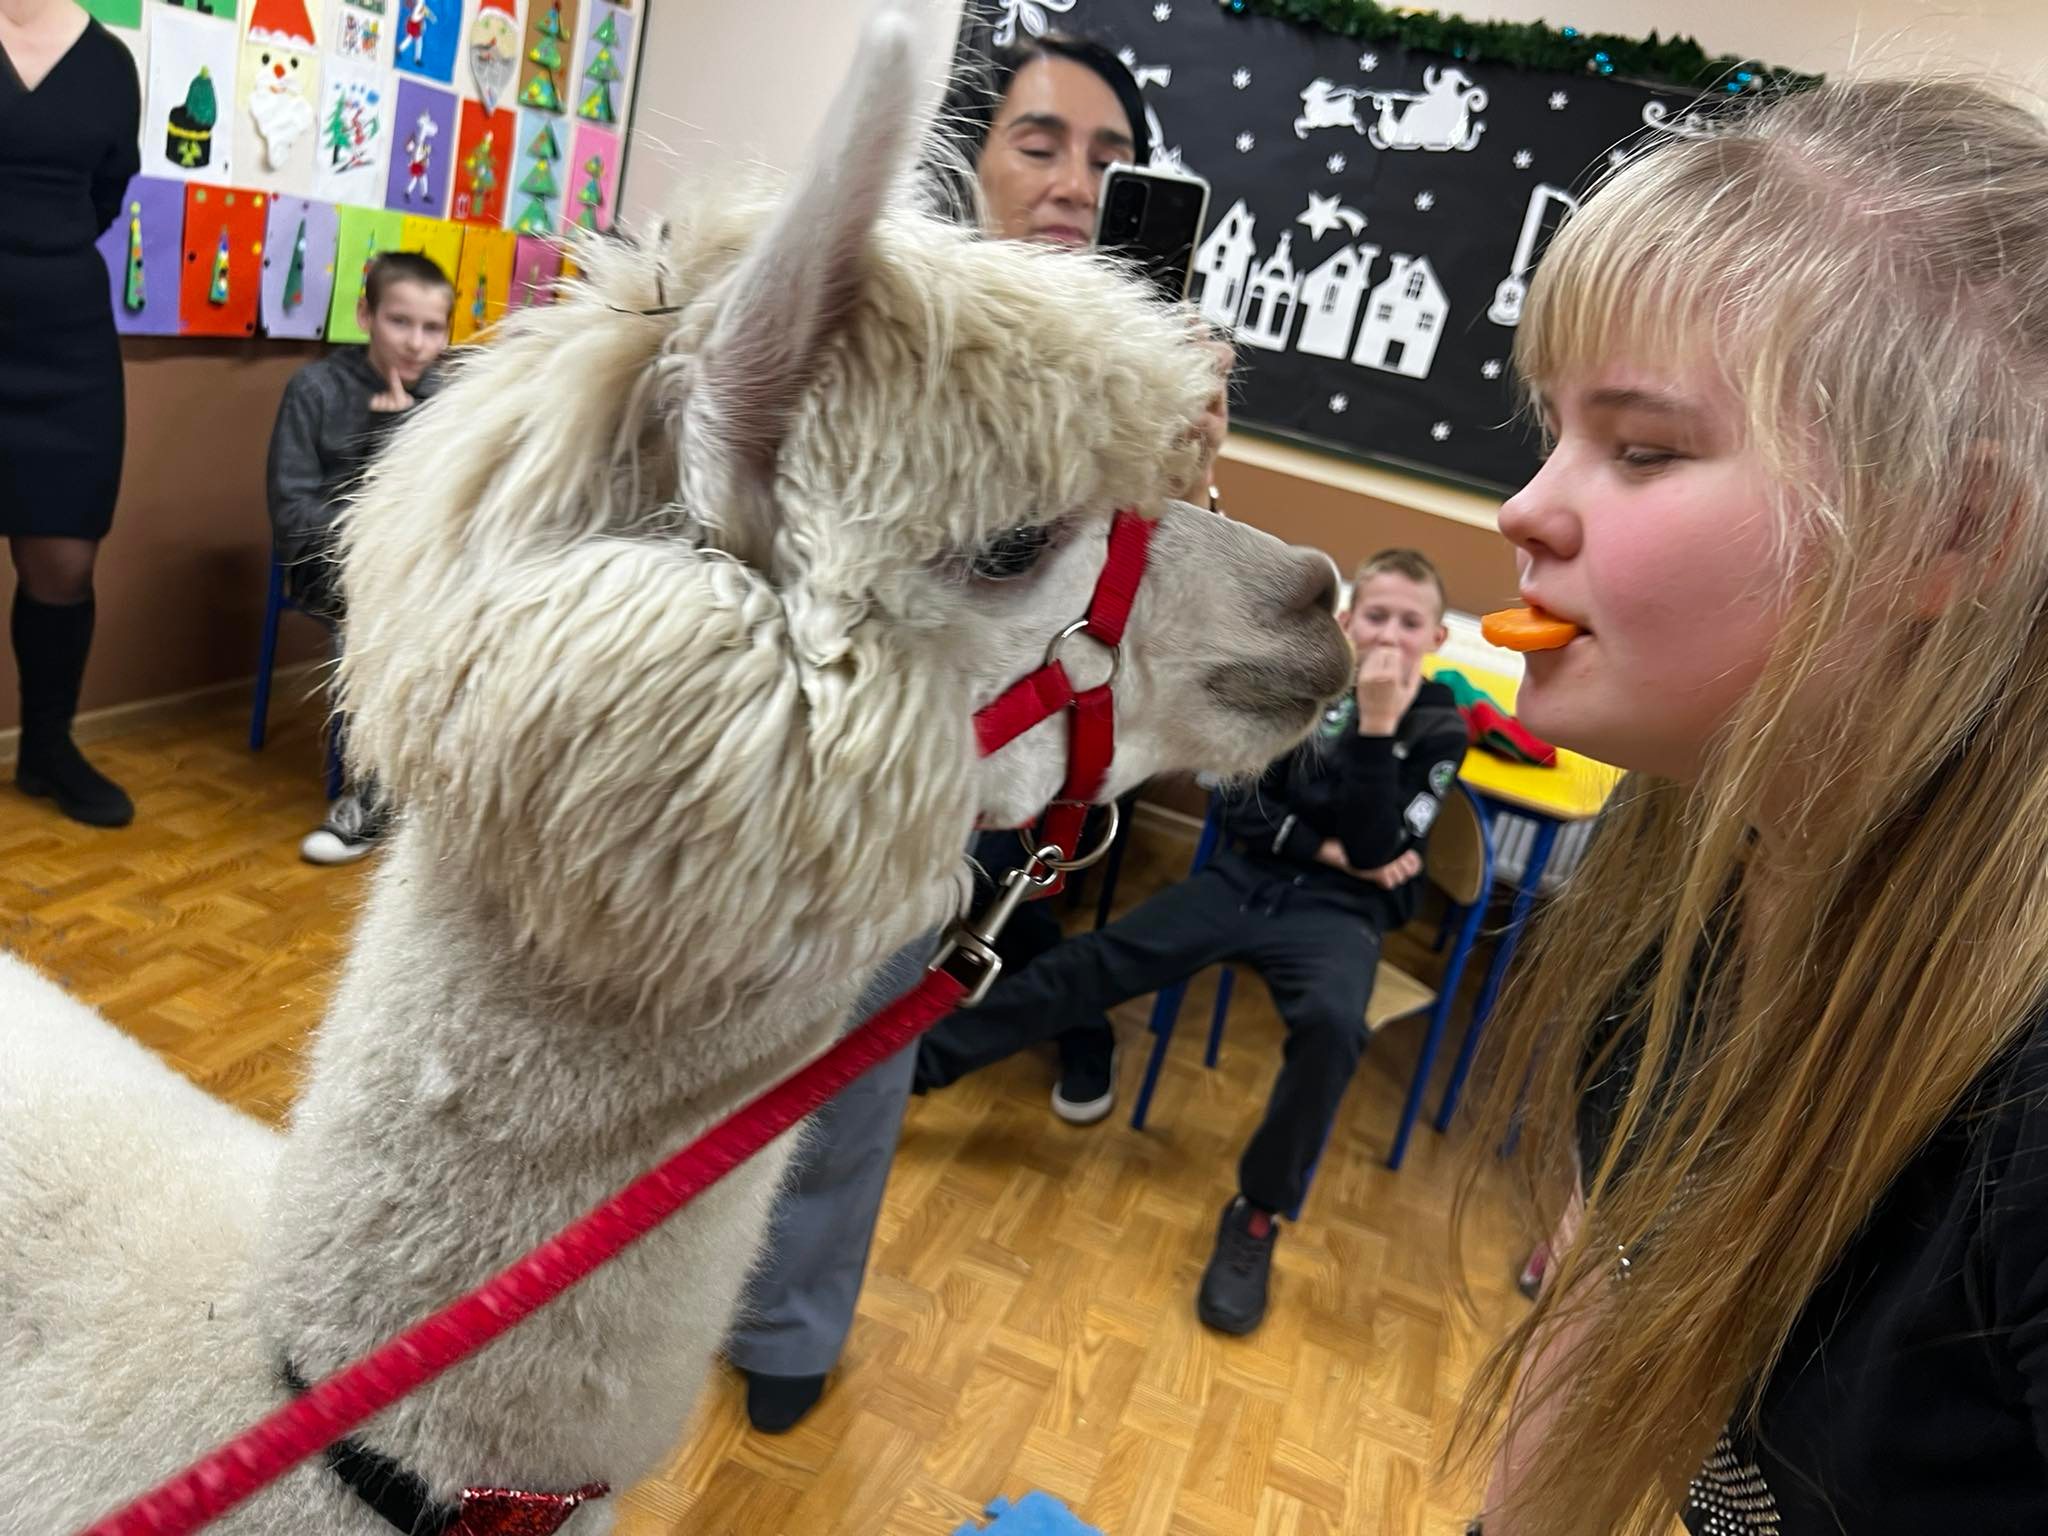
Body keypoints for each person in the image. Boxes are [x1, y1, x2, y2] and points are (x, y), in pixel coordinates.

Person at [1453, 79, 2048, 1536]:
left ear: (1952, 529)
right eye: (1551, 429)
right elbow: (1618, 1267)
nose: (1523, 509)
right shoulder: (1689, 868)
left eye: (1642, 448)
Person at [727, 30, 1228, 1433]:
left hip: (948, 781)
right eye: (1040, 142)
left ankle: (786, 1322)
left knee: (860, 1059)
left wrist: (1172, 455)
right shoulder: (888, 315)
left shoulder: (1134, 375)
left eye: (1110, 159)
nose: (1075, 180)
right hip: (786, 742)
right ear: (973, 159)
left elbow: (1105, 603)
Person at [916, 549, 1466, 1335]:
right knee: (1097, 960)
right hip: (1245, 880)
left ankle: (1259, 1212)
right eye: (1375, 616)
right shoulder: (1312, 693)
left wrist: (1377, 733)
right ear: (1346, 624)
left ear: (1437, 638)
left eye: (1410, 623)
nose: (1389, 636)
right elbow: (1242, 810)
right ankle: (916, 1070)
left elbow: (1378, 849)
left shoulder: (1440, 725)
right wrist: (1332, 844)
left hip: (1340, 915)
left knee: (1333, 1025)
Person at [0, 0, 140, 827]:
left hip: (65, 349)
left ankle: (46, 752)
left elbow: (103, 197)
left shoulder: (110, 62)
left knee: (63, 565)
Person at [266, 251, 452, 864]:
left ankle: (453, 792)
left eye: (433, 328)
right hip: (333, 567)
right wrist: (386, 443)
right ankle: (372, 800)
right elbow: (293, 514)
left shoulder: (451, 395)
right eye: (401, 322)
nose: (417, 343)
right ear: (366, 315)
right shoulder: (315, 390)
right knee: (392, 622)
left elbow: (457, 504)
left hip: (429, 569)